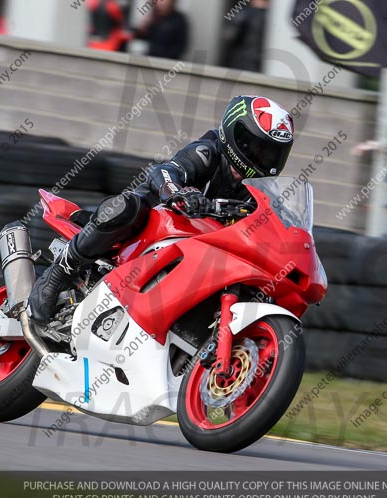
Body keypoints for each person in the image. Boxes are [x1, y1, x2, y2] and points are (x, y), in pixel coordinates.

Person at [27, 95, 296, 325]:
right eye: (257, 147)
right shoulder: (207, 152)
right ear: (236, 135)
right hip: (152, 230)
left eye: (272, 153)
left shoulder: (258, 193)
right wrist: (179, 193)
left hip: (203, 253)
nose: (263, 158)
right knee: (127, 206)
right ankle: (56, 275)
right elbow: (166, 171)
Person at [222, 0, 268, 72]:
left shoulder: (246, 12)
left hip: (244, 58)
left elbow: (230, 34)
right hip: (255, 59)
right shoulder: (270, 15)